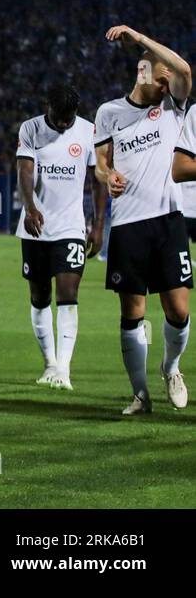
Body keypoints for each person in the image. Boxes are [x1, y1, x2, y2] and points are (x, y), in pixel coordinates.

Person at [94, 25, 192, 415]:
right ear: (142, 72)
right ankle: (140, 394)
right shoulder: (109, 113)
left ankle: (171, 368)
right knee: (132, 311)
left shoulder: (173, 106)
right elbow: (101, 165)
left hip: (168, 219)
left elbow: (185, 70)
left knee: (179, 310)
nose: (170, 79)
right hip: (128, 225)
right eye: (161, 72)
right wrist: (107, 176)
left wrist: (140, 37)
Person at [16, 83, 104, 390]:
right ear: (47, 107)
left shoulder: (89, 131)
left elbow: (98, 180)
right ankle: (50, 364)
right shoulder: (30, 129)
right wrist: (29, 208)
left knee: (68, 295)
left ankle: (64, 369)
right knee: (40, 298)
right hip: (36, 227)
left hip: (70, 227)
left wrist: (98, 224)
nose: (65, 124)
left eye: (70, 118)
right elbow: (24, 171)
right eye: (59, 117)